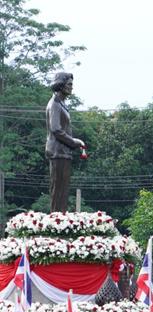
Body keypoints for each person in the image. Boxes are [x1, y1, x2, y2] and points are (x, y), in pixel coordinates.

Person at [46, 72, 85, 213]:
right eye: (69, 84)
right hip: (57, 151)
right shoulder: (55, 104)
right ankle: (56, 220)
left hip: (64, 151)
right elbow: (56, 129)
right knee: (58, 187)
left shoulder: (62, 103)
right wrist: (73, 142)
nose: (71, 88)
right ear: (60, 85)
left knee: (64, 187)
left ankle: (62, 217)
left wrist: (72, 143)